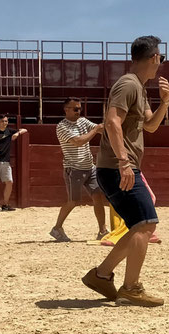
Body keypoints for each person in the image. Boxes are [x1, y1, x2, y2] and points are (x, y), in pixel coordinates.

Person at [81, 35, 169, 307]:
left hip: (119, 166)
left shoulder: (140, 88)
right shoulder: (128, 84)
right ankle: (130, 288)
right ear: (154, 57)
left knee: (138, 225)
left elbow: (151, 126)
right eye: (161, 58)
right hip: (117, 166)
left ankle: (101, 275)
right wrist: (123, 161)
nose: (161, 63)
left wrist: (165, 102)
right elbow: (112, 122)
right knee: (146, 224)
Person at [50, 97, 109, 242]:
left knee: (98, 196)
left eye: (80, 108)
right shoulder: (62, 126)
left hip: (89, 167)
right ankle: (57, 228)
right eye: (75, 109)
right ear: (66, 110)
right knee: (73, 201)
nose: (78, 111)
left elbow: (100, 129)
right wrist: (96, 130)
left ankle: (102, 230)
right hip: (74, 169)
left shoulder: (82, 121)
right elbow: (78, 141)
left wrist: (109, 126)